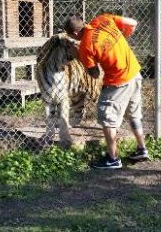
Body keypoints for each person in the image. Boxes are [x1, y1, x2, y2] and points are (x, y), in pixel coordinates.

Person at [64, 13, 149, 169]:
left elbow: (94, 74)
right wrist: (120, 41)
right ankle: (142, 149)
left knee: (107, 117)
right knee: (133, 113)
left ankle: (113, 159)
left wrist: (78, 56)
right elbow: (132, 22)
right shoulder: (103, 19)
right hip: (135, 73)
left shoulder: (85, 47)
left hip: (118, 82)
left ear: (75, 34)